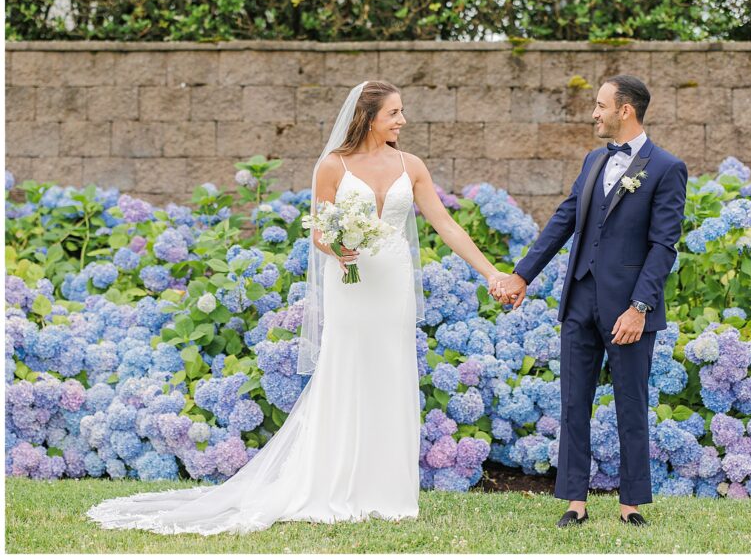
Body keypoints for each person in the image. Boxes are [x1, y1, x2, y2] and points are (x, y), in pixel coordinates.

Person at [86, 80, 508, 536]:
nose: (402, 121)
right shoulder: (332, 166)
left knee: (392, 371)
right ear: (367, 118)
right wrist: (341, 248)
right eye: (394, 113)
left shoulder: (412, 166)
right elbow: (319, 234)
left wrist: (491, 273)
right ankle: (332, 482)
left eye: (401, 112)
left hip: (393, 284)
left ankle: (388, 492)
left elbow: (446, 225)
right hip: (351, 282)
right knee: (345, 371)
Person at [492, 75, 687, 528]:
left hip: (628, 311)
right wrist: (522, 275)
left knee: (630, 403)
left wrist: (640, 308)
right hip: (579, 299)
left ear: (626, 111)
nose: (593, 113)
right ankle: (574, 501)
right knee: (574, 402)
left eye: (600, 105)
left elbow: (664, 246)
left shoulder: (666, 168)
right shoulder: (594, 160)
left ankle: (631, 504)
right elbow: (565, 219)